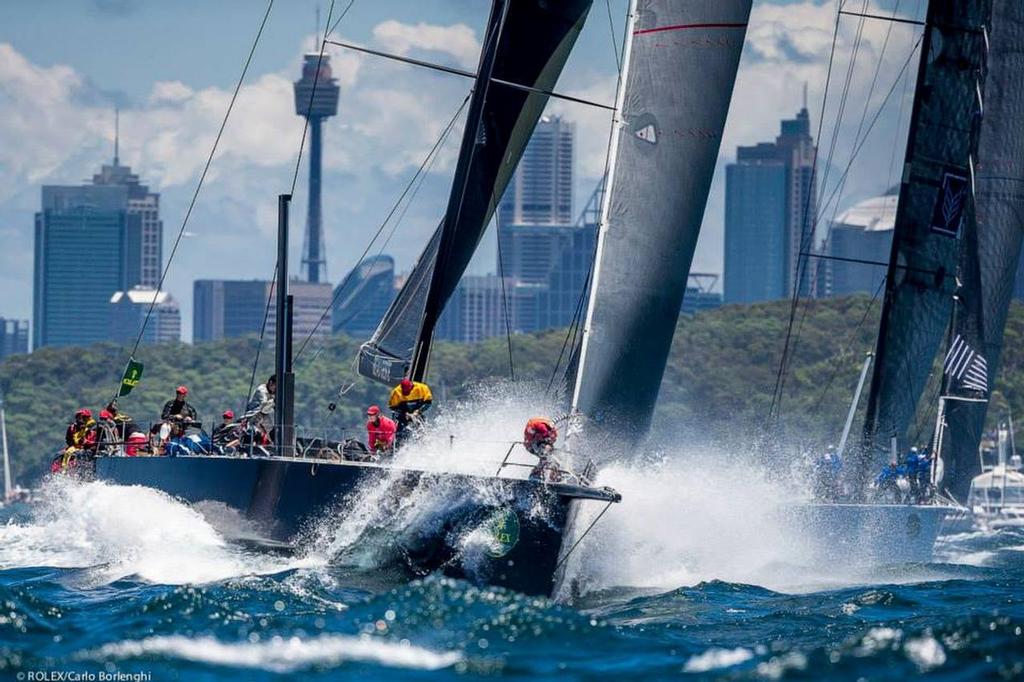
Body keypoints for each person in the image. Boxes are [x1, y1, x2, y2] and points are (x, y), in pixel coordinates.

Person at [388, 378, 433, 444]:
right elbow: (393, 407)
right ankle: (397, 446)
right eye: (404, 392)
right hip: (403, 415)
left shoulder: (422, 388)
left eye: (407, 391)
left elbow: (428, 403)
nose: (406, 394)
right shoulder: (396, 391)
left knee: (422, 431)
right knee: (400, 432)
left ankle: (424, 444)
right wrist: (405, 413)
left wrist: (418, 411)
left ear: (411, 387)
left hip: (417, 413)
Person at [524, 416, 562, 482]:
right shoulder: (541, 428)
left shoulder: (549, 431)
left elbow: (549, 442)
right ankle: (536, 475)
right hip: (533, 445)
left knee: (554, 459)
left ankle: (554, 476)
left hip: (536, 443)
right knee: (546, 459)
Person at [243, 374, 276, 444]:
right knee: (253, 432)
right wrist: (274, 400)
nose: (275, 390)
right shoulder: (261, 391)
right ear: (271, 383)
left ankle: (275, 445)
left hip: (264, 415)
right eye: (275, 387)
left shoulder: (273, 392)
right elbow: (263, 408)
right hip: (254, 415)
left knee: (273, 432)